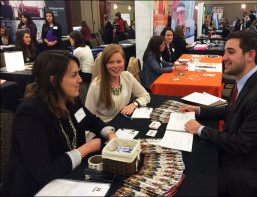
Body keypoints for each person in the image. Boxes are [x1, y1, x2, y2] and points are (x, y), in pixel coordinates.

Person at [179, 30, 257, 196]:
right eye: (225, 52)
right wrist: (199, 110)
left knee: (192, 179)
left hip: (256, 171)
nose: (224, 57)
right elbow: (232, 110)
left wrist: (201, 129)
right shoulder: (244, 81)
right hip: (246, 154)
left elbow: (240, 144)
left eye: (230, 52)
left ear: (250, 55)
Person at [1, 51, 117, 196]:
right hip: (34, 188)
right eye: (74, 75)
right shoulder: (30, 113)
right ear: (53, 80)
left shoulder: (70, 99)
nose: (80, 79)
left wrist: (110, 135)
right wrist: (85, 149)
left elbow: (91, 120)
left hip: (69, 176)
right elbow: (43, 171)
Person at [85, 44, 150, 123]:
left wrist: (134, 104)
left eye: (119, 62)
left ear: (124, 61)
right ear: (104, 65)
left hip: (123, 122)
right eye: (111, 62)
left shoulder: (128, 77)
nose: (116, 66)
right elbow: (88, 116)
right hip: (104, 128)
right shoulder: (96, 85)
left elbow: (146, 96)